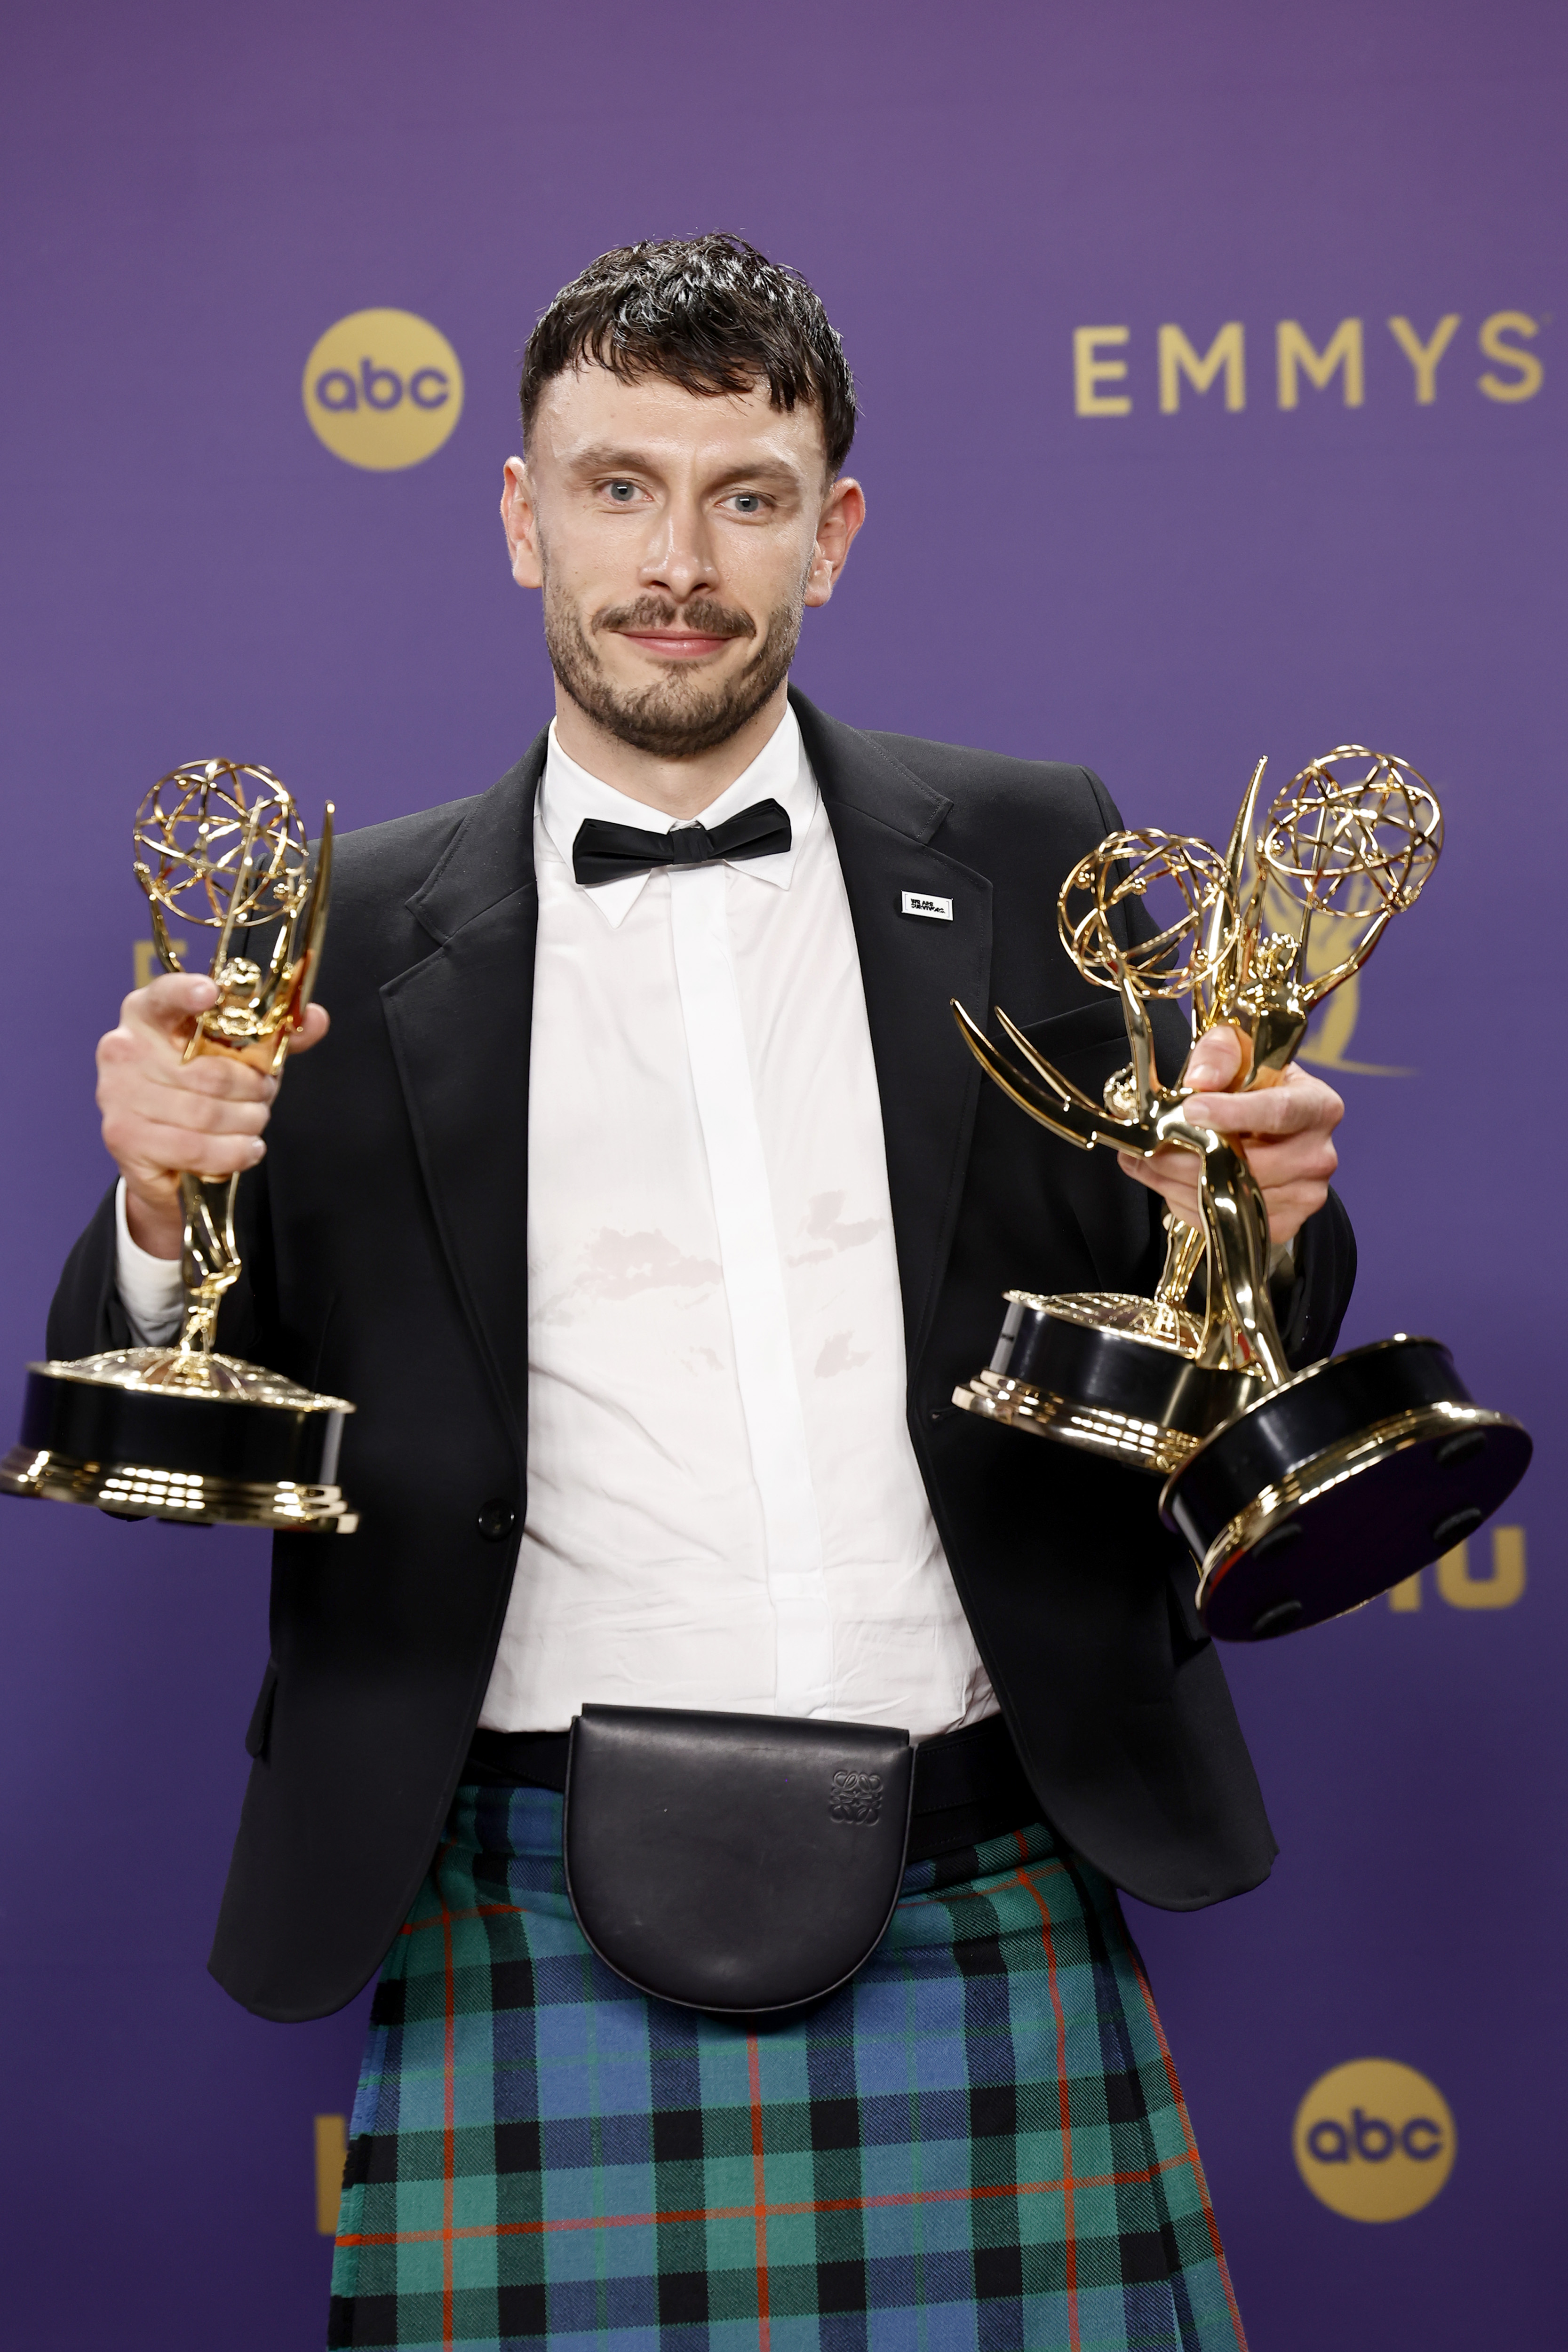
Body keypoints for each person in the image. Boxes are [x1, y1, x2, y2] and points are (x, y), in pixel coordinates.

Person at [59, 235, 1349, 2352]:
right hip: (514, 1889)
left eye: (747, 494)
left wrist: (1268, 1210)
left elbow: (1209, 1318)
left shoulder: (1037, 855)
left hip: (985, 1872)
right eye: (617, 484)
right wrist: (151, 1187)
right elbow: (155, 1387)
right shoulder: (339, 922)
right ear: (517, 512)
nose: (679, 558)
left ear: (830, 533)